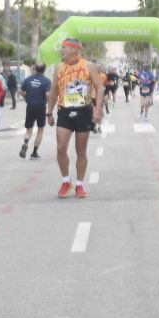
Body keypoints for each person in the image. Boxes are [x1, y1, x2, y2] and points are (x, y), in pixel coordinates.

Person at [45, 37, 105, 198]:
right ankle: (66, 181)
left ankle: (79, 184)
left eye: (64, 47)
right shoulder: (59, 68)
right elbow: (54, 90)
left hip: (83, 111)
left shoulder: (88, 66)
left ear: (74, 49)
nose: (61, 50)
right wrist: (49, 112)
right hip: (64, 111)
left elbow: (100, 88)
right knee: (60, 148)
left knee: (81, 150)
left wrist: (97, 110)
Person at [19, 63, 51, 159]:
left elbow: (20, 91)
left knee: (29, 129)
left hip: (30, 106)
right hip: (41, 107)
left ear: (35, 69)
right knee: (40, 130)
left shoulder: (28, 79)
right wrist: (49, 105)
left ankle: (25, 142)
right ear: (44, 70)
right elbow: (48, 94)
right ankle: (34, 152)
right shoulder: (46, 81)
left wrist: (26, 97)